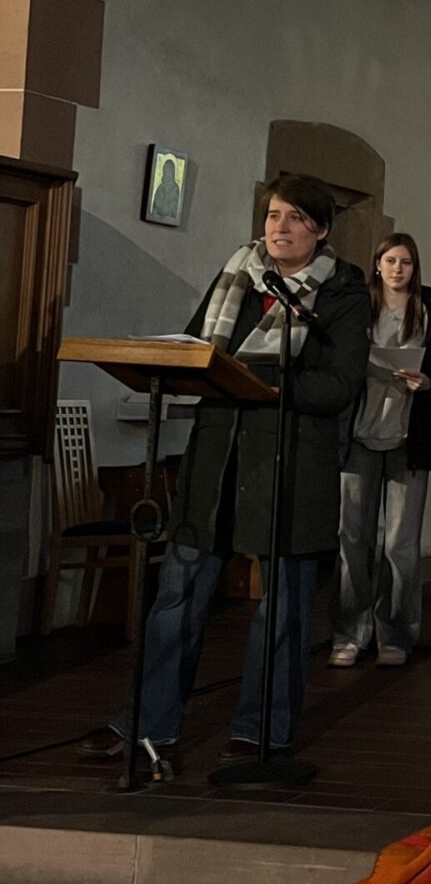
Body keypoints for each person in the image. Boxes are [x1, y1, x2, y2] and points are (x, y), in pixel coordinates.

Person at [79, 174, 367, 765]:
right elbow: (197, 346)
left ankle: (262, 729)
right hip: (217, 457)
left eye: (293, 218)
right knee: (178, 595)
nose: (278, 227)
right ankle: (148, 721)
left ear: (320, 229)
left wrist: (265, 381)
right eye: (273, 215)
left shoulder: (342, 292)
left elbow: (340, 385)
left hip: (289, 462)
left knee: (282, 607)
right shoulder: (240, 273)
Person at [329, 234, 431, 669]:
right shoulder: (358, 308)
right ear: (377, 265)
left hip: (409, 439)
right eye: (390, 261)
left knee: (400, 544)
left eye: (405, 262)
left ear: (414, 268)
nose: (397, 269)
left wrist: (428, 382)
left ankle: (396, 634)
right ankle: (350, 633)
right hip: (358, 436)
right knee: (352, 539)